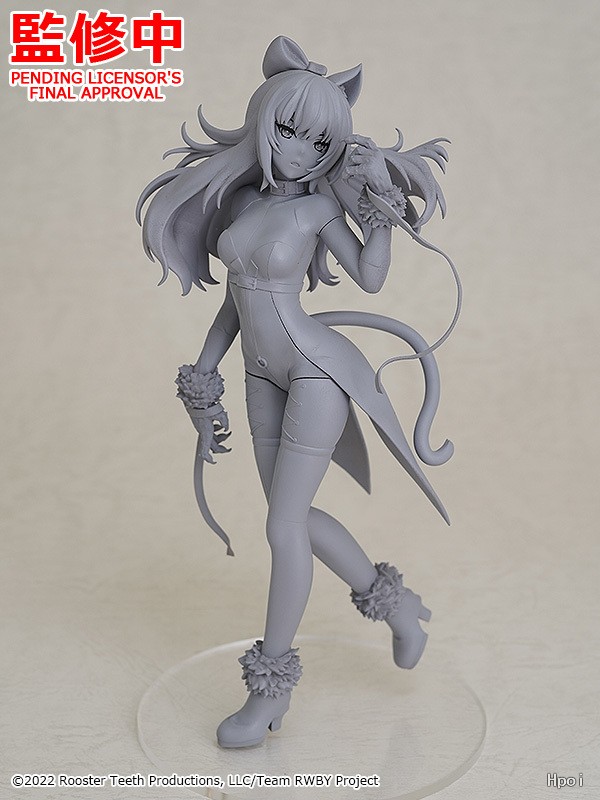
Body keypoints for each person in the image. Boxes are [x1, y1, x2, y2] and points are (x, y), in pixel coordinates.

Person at [137, 35, 457, 748]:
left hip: (316, 370)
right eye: (288, 129)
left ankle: (269, 689)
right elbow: (236, 301)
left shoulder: (317, 214)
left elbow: (370, 278)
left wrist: (380, 217)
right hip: (260, 375)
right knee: (295, 519)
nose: (301, 150)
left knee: (282, 529)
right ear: (263, 121)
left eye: (319, 142)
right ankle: (399, 606)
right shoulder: (243, 202)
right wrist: (204, 373)